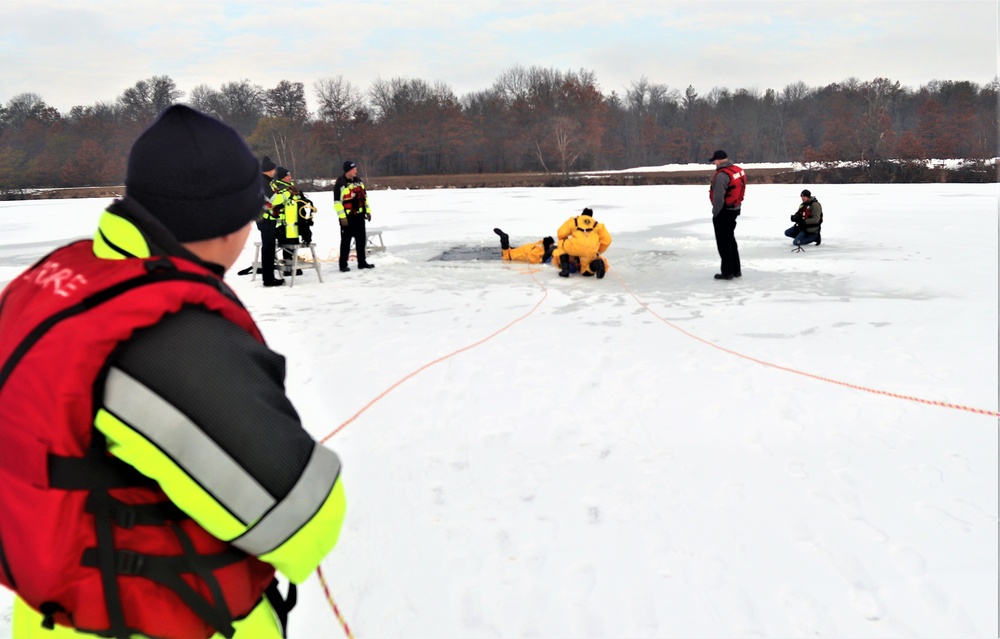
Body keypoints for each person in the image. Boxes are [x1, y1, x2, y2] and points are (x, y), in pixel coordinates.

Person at [0, 105, 346, 639]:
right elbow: (300, 518)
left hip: (53, 615)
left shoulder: (51, 283)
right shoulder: (166, 337)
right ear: (226, 222)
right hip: (160, 618)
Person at [270, 167, 316, 275]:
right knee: (287, 245)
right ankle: (289, 267)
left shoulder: (289, 188)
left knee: (292, 244)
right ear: (282, 177)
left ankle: (291, 265)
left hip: (294, 223)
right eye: (288, 175)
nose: (290, 177)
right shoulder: (279, 189)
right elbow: (277, 202)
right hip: (284, 224)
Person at [709, 149, 746, 280]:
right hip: (735, 209)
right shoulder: (737, 170)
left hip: (724, 212)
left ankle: (727, 272)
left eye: (714, 161)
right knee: (730, 240)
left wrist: (715, 213)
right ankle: (736, 270)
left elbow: (718, 198)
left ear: (718, 160)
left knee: (723, 243)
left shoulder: (721, 176)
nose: (714, 163)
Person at [334, 160, 374, 272]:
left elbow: (364, 198)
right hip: (348, 218)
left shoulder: (358, 181)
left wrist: (368, 211)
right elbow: (337, 202)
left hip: (360, 216)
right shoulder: (340, 183)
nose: (356, 171)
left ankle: (362, 262)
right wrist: (342, 217)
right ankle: (343, 265)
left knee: (361, 240)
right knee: (346, 242)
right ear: (348, 170)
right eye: (353, 169)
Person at [552, 207, 612, 278]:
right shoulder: (598, 225)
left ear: (582, 214)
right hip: (590, 251)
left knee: (561, 242)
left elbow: (560, 234)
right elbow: (607, 240)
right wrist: (597, 251)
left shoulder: (574, 220)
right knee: (586, 272)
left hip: (574, 247)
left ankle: (565, 269)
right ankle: (596, 264)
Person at [257, 155, 285, 287]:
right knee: (268, 249)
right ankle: (268, 279)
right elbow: (275, 200)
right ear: (268, 170)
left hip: (268, 220)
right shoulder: (263, 182)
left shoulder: (266, 182)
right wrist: (286, 195)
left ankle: (269, 277)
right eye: (273, 169)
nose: (275, 172)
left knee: (270, 249)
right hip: (265, 221)